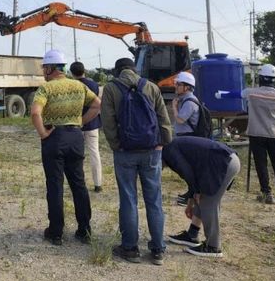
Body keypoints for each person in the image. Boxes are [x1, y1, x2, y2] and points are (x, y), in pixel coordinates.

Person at [100, 58, 173, 266]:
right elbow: (163, 119)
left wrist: (117, 145)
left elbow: (108, 121)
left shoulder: (111, 89)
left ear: (117, 71)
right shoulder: (151, 86)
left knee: (128, 199)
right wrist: (163, 143)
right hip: (151, 150)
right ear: (134, 69)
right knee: (154, 199)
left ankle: (130, 248)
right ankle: (158, 249)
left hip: (125, 152)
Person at [31, 52, 101, 246]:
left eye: (44, 68)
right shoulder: (79, 86)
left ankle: (56, 232)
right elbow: (97, 105)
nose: (43, 72)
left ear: (50, 68)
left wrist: (43, 134)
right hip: (76, 137)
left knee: (55, 185)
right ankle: (84, 230)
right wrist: (80, 122)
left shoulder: (46, 88)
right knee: (79, 184)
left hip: (54, 138)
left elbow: (35, 112)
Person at [216, 63, 275, 204]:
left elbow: (234, 94)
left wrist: (219, 94)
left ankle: (266, 193)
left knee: (261, 165)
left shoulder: (251, 93)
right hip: (274, 134)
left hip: (257, 133)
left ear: (261, 78)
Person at [164, 136, 240, 258]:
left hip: (223, 162)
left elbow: (187, 172)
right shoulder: (173, 145)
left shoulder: (169, 150)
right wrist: (191, 201)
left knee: (208, 202)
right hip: (225, 160)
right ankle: (192, 235)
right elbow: (191, 175)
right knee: (203, 197)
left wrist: (196, 192)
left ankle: (213, 246)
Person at [69, 61, 103, 193]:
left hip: (75, 124)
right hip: (92, 123)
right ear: (84, 71)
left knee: (77, 155)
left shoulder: (72, 85)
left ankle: (79, 182)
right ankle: (98, 183)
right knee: (94, 153)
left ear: (72, 73)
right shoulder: (93, 84)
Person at [171, 72, 200, 206]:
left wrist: (174, 108)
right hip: (184, 137)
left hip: (188, 138)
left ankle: (193, 194)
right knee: (186, 168)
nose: (175, 86)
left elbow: (180, 119)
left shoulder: (189, 102)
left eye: (178, 84)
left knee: (187, 168)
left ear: (187, 87)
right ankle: (192, 192)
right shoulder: (185, 100)